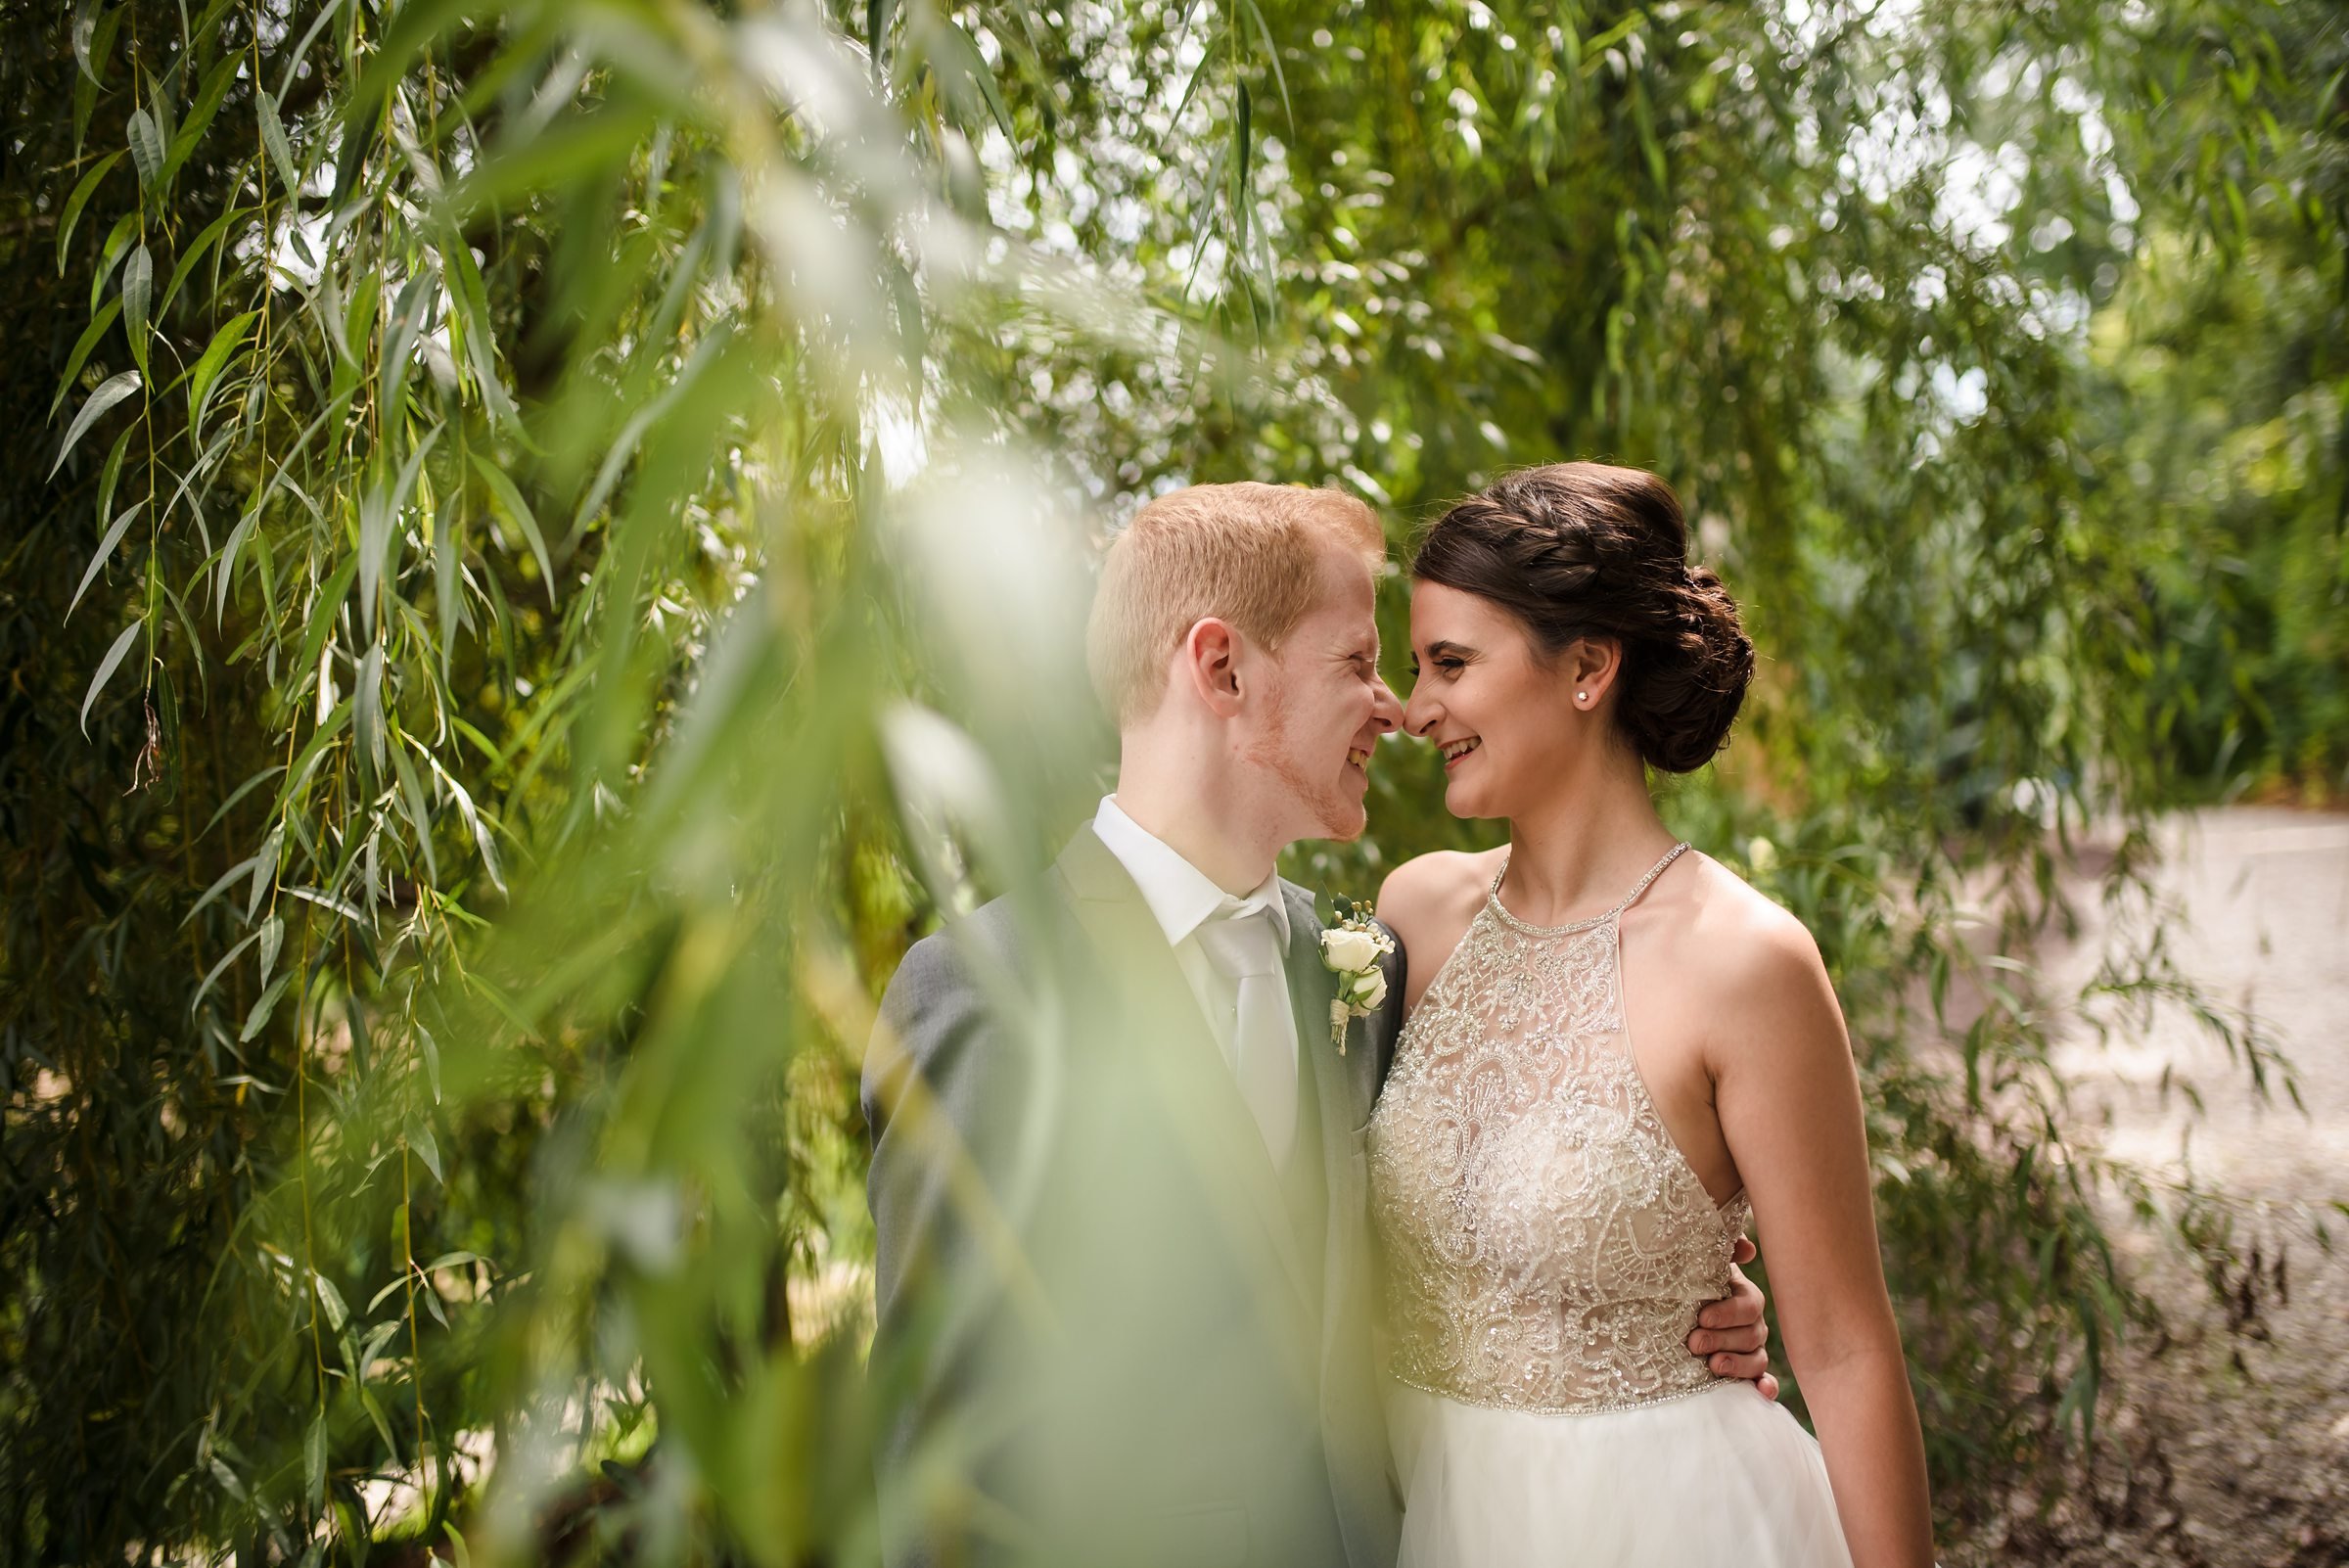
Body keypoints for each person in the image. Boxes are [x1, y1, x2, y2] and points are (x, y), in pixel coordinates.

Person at [862, 482, 1775, 1568]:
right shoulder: (983, 991)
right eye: (1357, 663)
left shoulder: (1363, 965)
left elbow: (1462, 1242)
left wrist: (1664, 1302)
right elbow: (939, 1460)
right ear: (1221, 668)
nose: (1395, 708)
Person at [1368, 462, 1936, 1568]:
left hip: (1668, 1520)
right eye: (1411, 665)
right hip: (1429, 1516)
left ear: (1586, 668)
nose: (1415, 706)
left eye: (1450, 663)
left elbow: (1848, 1350)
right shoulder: (1414, 914)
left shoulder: (1745, 961)